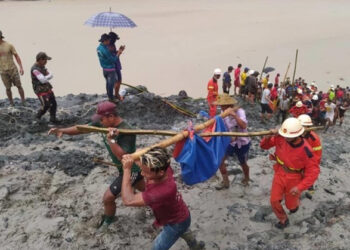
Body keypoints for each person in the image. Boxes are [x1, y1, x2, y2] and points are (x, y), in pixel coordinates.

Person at [48, 101, 145, 229]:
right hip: (123, 169)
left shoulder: (127, 131)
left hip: (131, 169)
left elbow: (123, 157)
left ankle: (108, 221)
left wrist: (111, 139)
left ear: (111, 117)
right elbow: (82, 129)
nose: (100, 122)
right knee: (149, 191)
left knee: (108, 198)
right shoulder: (103, 122)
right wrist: (62, 131)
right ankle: (163, 202)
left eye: (102, 119)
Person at [121, 147, 204, 250]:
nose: (142, 174)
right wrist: (136, 155)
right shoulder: (164, 167)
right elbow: (142, 158)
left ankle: (194, 245)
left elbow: (128, 200)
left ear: (160, 172)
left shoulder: (162, 191)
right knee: (185, 231)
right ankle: (195, 247)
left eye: (146, 172)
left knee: (157, 247)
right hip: (179, 214)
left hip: (176, 222)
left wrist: (126, 169)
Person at [260, 118, 320, 229]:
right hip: (280, 172)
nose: (286, 137)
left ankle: (294, 206)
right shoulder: (281, 138)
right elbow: (264, 146)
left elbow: (313, 172)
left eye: (288, 136)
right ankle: (283, 219)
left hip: (294, 178)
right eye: (284, 135)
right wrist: (267, 137)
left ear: (297, 135)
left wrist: (300, 187)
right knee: (274, 200)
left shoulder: (306, 150)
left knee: (290, 205)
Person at [213, 94, 251, 189]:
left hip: (242, 141)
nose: (221, 107)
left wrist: (234, 115)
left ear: (229, 105)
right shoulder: (222, 113)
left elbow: (243, 126)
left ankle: (246, 178)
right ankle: (226, 181)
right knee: (220, 161)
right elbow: (222, 126)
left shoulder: (240, 112)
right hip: (230, 141)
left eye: (223, 105)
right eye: (220, 106)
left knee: (243, 162)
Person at [31, 52, 60, 123]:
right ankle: (37, 117)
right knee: (46, 105)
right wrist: (48, 76)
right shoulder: (34, 69)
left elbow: (50, 75)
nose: (46, 62)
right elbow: (43, 80)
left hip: (47, 87)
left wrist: (47, 76)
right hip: (40, 89)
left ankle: (53, 118)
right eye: (45, 60)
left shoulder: (42, 66)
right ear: (40, 59)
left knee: (53, 102)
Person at [298, 114, 322, 198]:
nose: (303, 129)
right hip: (298, 160)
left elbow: (317, 155)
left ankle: (310, 187)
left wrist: (310, 167)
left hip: (309, 161)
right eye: (301, 126)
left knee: (309, 176)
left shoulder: (314, 139)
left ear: (309, 127)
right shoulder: (296, 134)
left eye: (305, 126)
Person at [0, 30, 25, 106]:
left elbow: (16, 56)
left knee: (19, 86)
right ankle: (11, 103)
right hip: (3, 71)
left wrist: (21, 67)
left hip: (12, 69)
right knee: (7, 88)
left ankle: (23, 101)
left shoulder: (9, 45)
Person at [97, 34, 123, 102]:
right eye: (108, 40)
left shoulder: (99, 48)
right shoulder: (106, 50)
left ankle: (110, 97)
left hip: (104, 69)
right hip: (110, 69)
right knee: (111, 85)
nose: (109, 42)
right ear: (105, 41)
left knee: (108, 83)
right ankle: (112, 99)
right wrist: (119, 53)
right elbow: (113, 60)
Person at [108, 32, 124, 100]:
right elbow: (114, 58)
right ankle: (116, 95)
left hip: (115, 65)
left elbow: (114, 53)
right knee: (118, 81)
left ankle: (116, 94)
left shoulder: (111, 45)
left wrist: (119, 50)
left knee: (117, 81)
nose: (115, 40)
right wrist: (119, 52)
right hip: (114, 65)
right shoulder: (109, 47)